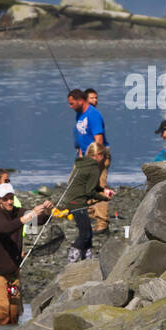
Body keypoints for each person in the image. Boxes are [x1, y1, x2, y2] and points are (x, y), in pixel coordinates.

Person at [0, 183, 53, 325]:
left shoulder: (19, 212)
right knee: (1, 311)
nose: (9, 202)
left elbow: (39, 220)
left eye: (11, 198)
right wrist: (28, 216)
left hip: (13, 273)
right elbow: (5, 229)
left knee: (14, 311)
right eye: (5, 199)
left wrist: (46, 211)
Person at [64, 142, 114, 263]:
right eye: (104, 156)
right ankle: (72, 259)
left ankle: (87, 259)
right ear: (98, 155)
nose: (104, 159)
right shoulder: (94, 168)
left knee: (89, 233)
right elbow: (90, 191)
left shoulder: (81, 163)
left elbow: (92, 186)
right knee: (85, 234)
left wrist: (104, 190)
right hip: (78, 202)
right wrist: (104, 198)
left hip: (72, 200)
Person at [70, 87, 111, 233]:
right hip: (85, 156)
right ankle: (91, 215)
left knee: (99, 185)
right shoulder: (79, 114)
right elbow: (81, 137)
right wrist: (80, 155)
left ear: (81, 101)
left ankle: (102, 223)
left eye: (72, 103)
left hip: (97, 155)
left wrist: (97, 159)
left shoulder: (93, 115)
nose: (70, 106)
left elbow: (98, 138)